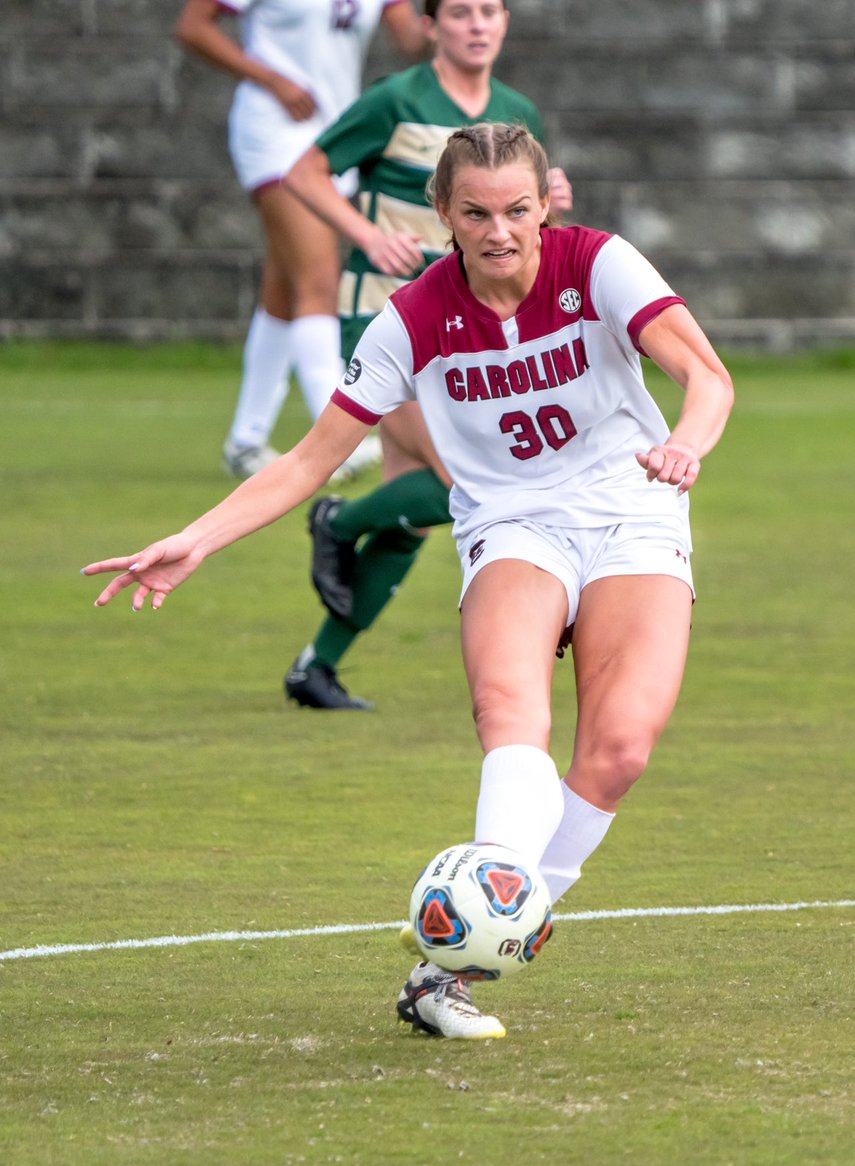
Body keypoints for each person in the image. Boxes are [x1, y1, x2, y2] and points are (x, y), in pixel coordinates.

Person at [83, 124, 734, 1040]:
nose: (498, 231)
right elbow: (310, 458)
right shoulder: (415, 317)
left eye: (516, 210)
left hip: (634, 508)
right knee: (509, 712)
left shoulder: (598, 265)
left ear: (544, 205)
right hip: (513, 523)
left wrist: (684, 444)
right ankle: (456, 971)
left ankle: (446, 962)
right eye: (475, 213)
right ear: (442, 215)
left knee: (619, 750)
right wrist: (195, 539)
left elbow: (705, 376)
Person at [276, 0, 574, 709]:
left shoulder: (516, 112)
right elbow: (305, 172)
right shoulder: (396, 99)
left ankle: (316, 667)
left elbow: (523, 221)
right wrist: (366, 234)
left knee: (412, 517)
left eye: (489, 11)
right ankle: (337, 522)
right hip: (383, 317)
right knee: (461, 484)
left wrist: (554, 202)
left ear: (505, 23)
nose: (477, 25)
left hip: (460, 326)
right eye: (460, 13)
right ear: (430, 26)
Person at [175, 0, 429, 479]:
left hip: (332, 136)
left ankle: (245, 440)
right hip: (275, 131)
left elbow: (413, 39)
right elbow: (193, 26)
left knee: (285, 292)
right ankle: (337, 443)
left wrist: (452, 20)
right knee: (319, 284)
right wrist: (272, 79)